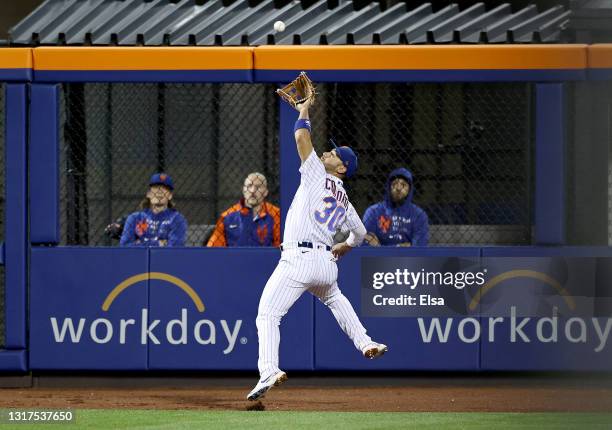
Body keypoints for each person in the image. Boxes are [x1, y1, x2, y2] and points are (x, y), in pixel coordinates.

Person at [247, 92, 387, 402]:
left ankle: (269, 370)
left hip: (298, 258)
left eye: (336, 153)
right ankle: (365, 343)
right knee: (335, 298)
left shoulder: (316, 175)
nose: (329, 151)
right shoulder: (345, 199)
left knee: (267, 315)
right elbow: (361, 233)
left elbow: (300, 137)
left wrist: (305, 108)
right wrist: (345, 247)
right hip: (325, 262)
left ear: (341, 169)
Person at [206, 172, 280, 247]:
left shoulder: (277, 214)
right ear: (243, 190)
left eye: (258, 187)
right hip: (233, 258)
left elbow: (281, 248)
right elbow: (213, 248)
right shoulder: (227, 217)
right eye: (249, 186)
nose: (252, 190)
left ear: (266, 192)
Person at [362, 168, 429, 247]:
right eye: (395, 184)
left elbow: (419, 247)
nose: (398, 188)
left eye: (403, 185)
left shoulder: (419, 215)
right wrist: (403, 246)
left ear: (409, 190)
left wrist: (380, 248)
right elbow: (366, 244)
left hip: (408, 259)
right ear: (389, 187)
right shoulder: (373, 212)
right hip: (376, 259)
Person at [120, 173, 187, 247]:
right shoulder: (135, 218)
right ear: (148, 194)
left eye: (164, 188)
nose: (159, 191)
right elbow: (125, 246)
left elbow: (174, 248)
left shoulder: (177, 219)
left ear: (170, 196)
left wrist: (140, 243)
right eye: (156, 187)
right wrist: (161, 243)